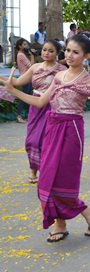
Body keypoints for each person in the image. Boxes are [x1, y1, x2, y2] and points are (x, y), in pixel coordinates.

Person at [0, 34, 90, 243]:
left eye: (75, 52)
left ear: (86, 55)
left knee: (63, 180)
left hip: (72, 130)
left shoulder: (88, 80)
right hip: (52, 127)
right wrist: (14, 90)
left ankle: (68, 221)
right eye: (67, 50)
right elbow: (40, 103)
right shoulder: (59, 76)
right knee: (46, 181)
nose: (69, 55)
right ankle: (82, 215)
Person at [1, 40, 66, 183]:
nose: (46, 53)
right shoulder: (35, 67)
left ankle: (46, 172)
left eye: (50, 51)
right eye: (44, 50)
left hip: (52, 107)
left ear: (57, 53)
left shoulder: (62, 70)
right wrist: (2, 78)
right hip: (35, 106)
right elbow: (17, 82)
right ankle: (33, 171)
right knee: (32, 140)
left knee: (46, 140)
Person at [15, 38, 35, 123]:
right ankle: (19, 116)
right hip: (26, 78)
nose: (26, 46)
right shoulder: (21, 55)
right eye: (24, 44)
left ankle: (28, 116)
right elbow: (31, 66)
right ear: (20, 46)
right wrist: (32, 55)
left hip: (26, 78)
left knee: (29, 97)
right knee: (24, 97)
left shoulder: (21, 54)